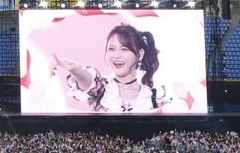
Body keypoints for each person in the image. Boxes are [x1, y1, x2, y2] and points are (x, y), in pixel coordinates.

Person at [52, 23, 189, 114]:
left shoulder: (154, 95)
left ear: (140, 54)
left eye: (124, 49)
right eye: (111, 49)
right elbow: (87, 81)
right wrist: (73, 68)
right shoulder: (102, 89)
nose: (116, 55)